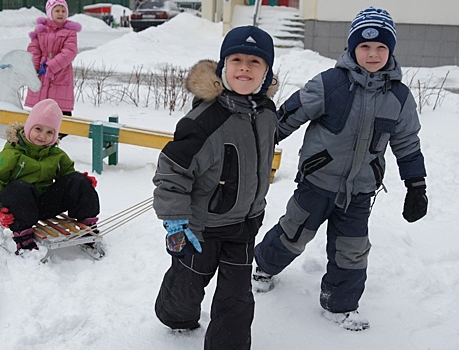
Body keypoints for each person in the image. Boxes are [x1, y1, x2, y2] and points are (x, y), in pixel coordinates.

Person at [252, 7, 428, 331]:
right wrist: (257, 142)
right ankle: (262, 267)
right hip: (317, 183)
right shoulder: (329, 84)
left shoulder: (399, 98)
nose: (372, 54)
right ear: (351, 48)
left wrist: (416, 186)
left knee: (352, 249)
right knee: (294, 232)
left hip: (359, 191)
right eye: (364, 47)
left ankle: (340, 304)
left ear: (390, 50)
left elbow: (407, 143)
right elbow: (289, 115)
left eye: (380, 48)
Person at [152, 26, 278, 350]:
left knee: (236, 299)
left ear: (267, 73)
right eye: (237, 59)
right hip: (201, 227)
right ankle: (174, 316)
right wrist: (177, 220)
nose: (245, 68)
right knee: (188, 282)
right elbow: (172, 171)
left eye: (255, 62)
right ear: (223, 67)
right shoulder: (204, 121)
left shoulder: (266, 114)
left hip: (245, 224)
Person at [0, 99, 100, 254]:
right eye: (38, 129)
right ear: (28, 127)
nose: (42, 136)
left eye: (49, 132)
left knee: (78, 180)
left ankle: (87, 225)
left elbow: (68, 175)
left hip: (45, 204)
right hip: (19, 208)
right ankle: (23, 237)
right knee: (20, 187)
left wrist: (82, 182)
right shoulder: (11, 154)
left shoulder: (56, 154)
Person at [25, 0, 80, 121]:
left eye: (63, 11)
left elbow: (70, 51)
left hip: (60, 71)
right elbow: (34, 48)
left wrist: (52, 65)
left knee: (60, 102)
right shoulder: (41, 30)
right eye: (57, 11)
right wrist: (34, 66)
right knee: (40, 102)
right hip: (41, 70)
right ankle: (39, 124)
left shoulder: (70, 32)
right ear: (50, 12)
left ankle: (63, 127)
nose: (60, 14)